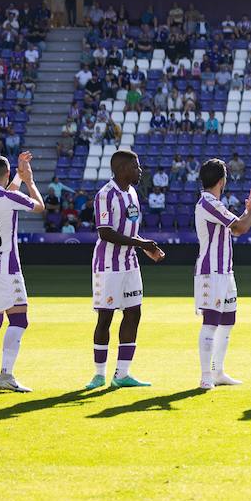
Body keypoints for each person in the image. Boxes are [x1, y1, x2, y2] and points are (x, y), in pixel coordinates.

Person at [87, 150, 165, 389]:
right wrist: (140, 243)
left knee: (134, 314)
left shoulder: (132, 193)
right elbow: (105, 232)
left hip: (130, 263)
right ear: (122, 169)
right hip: (108, 265)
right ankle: (99, 374)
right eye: (136, 166)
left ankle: (122, 374)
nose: (139, 171)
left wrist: (145, 247)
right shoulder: (105, 195)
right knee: (106, 317)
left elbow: (130, 232)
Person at [193, 158, 251, 390]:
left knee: (227, 321)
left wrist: (249, 212)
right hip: (211, 271)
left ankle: (218, 372)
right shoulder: (209, 203)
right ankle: (206, 375)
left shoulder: (214, 203)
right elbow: (239, 227)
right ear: (222, 181)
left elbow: (236, 229)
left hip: (225, 270)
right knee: (211, 322)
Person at [0, 151, 44, 392]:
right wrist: (29, 181)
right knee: (19, 319)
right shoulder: (7, 196)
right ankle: (7, 374)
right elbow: (39, 207)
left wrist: (17, 177)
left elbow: (4, 193)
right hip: (8, 267)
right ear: (5, 175)